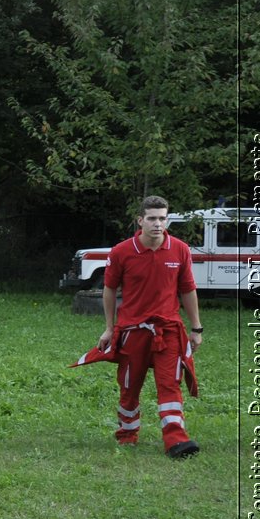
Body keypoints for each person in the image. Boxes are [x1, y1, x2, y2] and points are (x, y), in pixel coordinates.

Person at [95, 195, 203, 458]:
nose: (158, 224)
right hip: (133, 331)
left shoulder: (180, 249)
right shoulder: (121, 251)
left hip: (168, 331)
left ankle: (176, 441)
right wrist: (110, 328)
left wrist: (196, 328)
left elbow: (188, 289)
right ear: (140, 220)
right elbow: (109, 291)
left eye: (163, 218)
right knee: (130, 387)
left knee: (170, 385)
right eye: (152, 218)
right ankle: (127, 435)